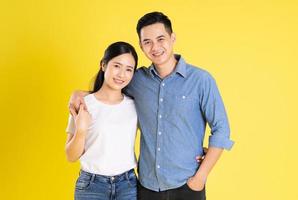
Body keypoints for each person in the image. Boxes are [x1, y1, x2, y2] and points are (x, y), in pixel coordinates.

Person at [69, 12, 234, 200]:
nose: (155, 47)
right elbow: (110, 90)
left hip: (188, 185)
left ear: (172, 38)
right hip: (146, 188)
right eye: (147, 42)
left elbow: (222, 129)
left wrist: (201, 176)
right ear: (141, 46)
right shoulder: (136, 79)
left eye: (160, 39)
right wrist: (78, 94)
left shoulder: (201, 80)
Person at [65, 41, 139, 200]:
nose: (121, 75)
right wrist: (81, 130)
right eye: (117, 66)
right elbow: (70, 156)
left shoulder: (135, 106)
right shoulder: (83, 104)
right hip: (91, 186)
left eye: (128, 69)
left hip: (128, 185)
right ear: (103, 65)